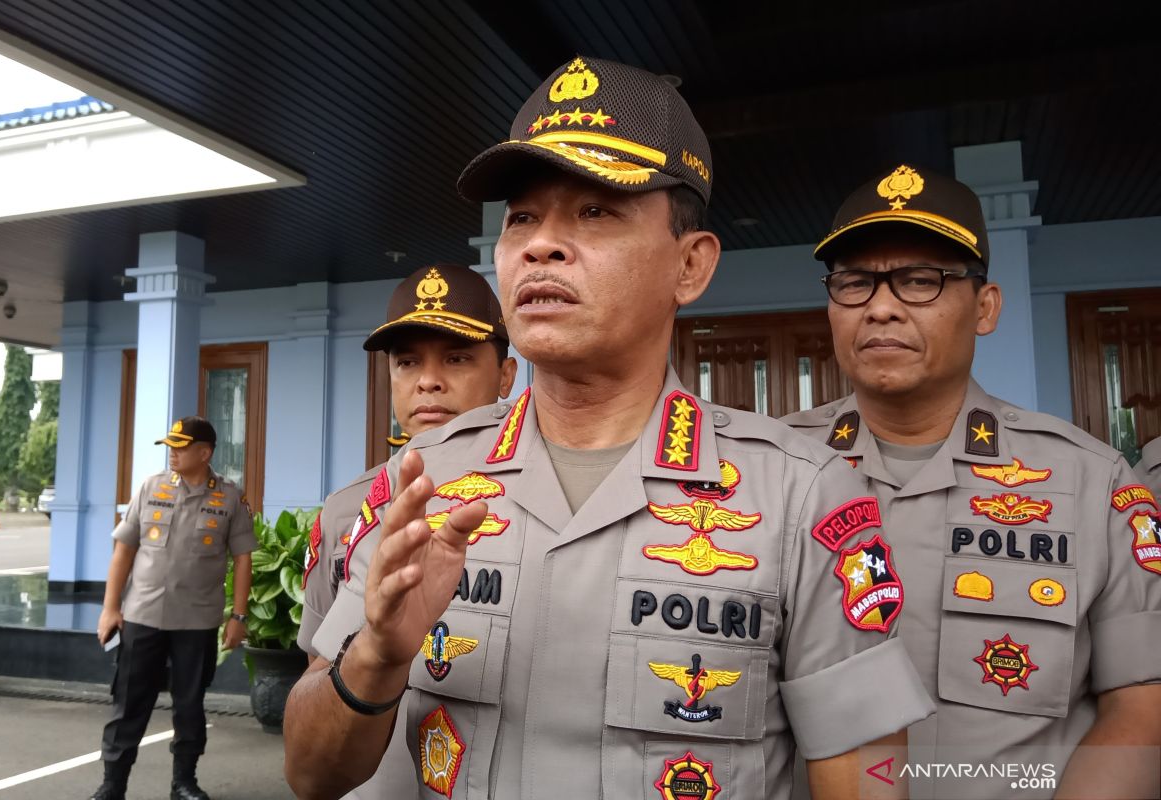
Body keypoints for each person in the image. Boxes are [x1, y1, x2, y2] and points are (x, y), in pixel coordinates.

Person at [283, 55, 933, 800]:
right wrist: (375, 656)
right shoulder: (420, 482)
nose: (540, 245)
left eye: (596, 211)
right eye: (522, 217)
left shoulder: (803, 497)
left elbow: (867, 771)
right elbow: (309, 773)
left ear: (691, 266)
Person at [782, 166, 1161, 798]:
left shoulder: (1092, 483)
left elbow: (1143, 708)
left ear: (985, 309)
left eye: (920, 281)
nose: (879, 307)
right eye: (854, 283)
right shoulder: (764, 471)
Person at [296, 263, 517, 798]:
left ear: (506, 376)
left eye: (458, 357)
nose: (428, 380)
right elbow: (317, 677)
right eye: (407, 362)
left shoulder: (537, 497)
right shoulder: (350, 509)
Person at [89, 416, 257, 800]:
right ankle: (113, 784)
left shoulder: (229, 497)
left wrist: (239, 616)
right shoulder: (151, 487)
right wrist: (109, 608)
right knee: (128, 703)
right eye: (170, 446)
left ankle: (184, 782)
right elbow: (125, 550)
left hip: (196, 622)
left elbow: (244, 559)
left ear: (205, 452)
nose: (172, 453)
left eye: (180, 447)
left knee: (189, 705)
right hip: (142, 616)